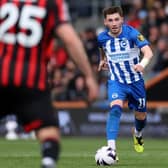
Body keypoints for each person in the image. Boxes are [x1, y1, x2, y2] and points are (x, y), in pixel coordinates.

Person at [0, 0, 98, 168]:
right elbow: (70, 40)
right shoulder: (52, 4)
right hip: (31, 80)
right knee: (48, 130)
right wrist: (88, 75)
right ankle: (48, 161)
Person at [97, 6, 153, 160]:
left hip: (136, 82)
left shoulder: (132, 33)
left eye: (116, 19)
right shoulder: (102, 38)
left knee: (141, 116)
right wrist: (103, 59)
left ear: (122, 19)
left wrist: (143, 64)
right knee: (115, 109)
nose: (114, 23)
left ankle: (138, 134)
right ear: (105, 22)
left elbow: (148, 52)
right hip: (117, 81)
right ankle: (111, 149)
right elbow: (102, 48)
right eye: (110, 20)